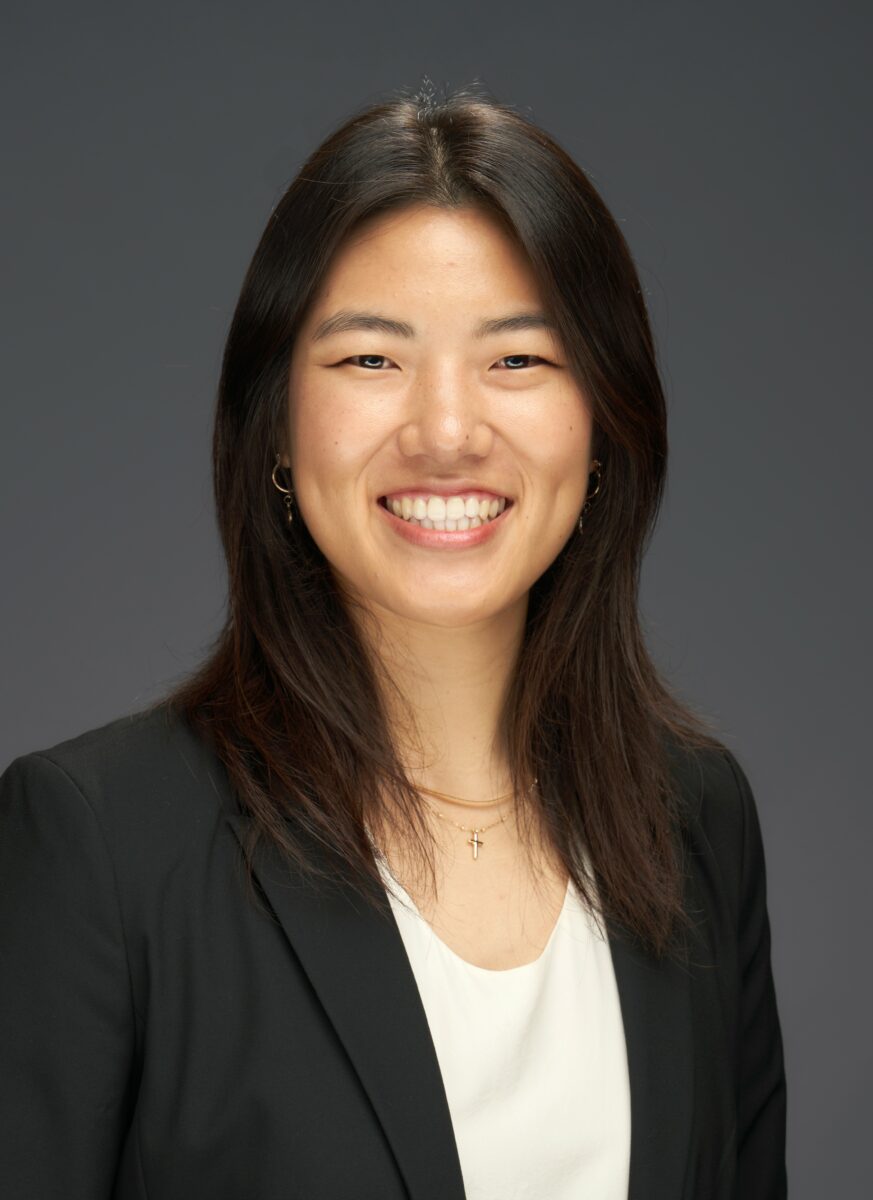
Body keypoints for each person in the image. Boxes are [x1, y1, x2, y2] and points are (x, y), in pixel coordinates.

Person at [0, 81, 787, 1199]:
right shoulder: (102, 845)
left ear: (605, 425)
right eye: (373, 359)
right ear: (274, 423)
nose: (448, 431)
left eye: (518, 359)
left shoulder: (701, 821)